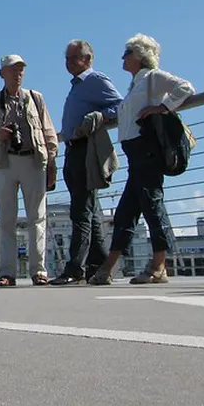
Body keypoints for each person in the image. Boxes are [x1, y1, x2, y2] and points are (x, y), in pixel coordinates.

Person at [89, 34, 195, 285]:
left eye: (127, 52)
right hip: (135, 153)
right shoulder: (137, 84)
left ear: (139, 56)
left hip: (146, 150)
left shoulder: (152, 77)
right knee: (127, 209)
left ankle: (159, 265)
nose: (123, 57)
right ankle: (108, 267)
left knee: (151, 202)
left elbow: (186, 87)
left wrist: (163, 107)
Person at [0, 54, 59, 287]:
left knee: (37, 218)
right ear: (2, 73)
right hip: (5, 162)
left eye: (21, 69)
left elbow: (48, 130)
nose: (18, 74)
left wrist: (51, 160)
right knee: (6, 220)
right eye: (13, 69)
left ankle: (39, 271)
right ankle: (7, 273)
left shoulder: (35, 98)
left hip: (33, 161)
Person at [50, 40, 124, 285]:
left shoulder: (95, 80)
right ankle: (97, 266)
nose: (69, 63)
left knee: (81, 211)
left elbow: (121, 105)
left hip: (85, 150)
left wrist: (102, 116)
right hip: (72, 150)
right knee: (89, 212)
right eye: (67, 59)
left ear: (88, 59)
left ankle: (74, 268)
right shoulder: (77, 86)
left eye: (74, 58)